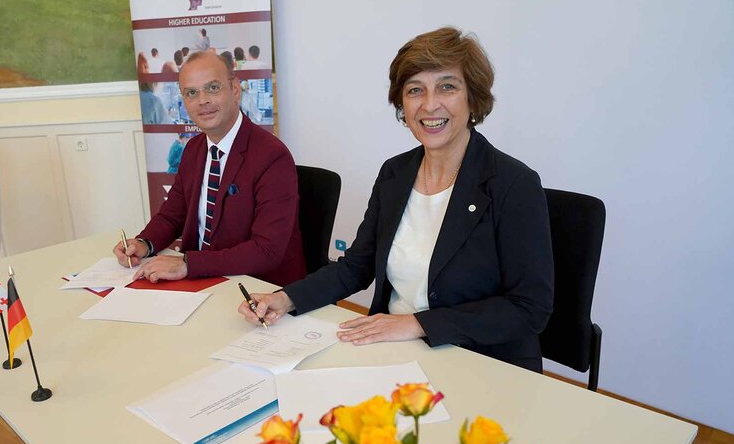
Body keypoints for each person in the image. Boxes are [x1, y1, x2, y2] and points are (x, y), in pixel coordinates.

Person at [238, 27, 553, 372]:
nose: (430, 104)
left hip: (479, 362)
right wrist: (285, 298)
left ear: (473, 98)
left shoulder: (513, 184)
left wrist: (418, 324)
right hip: (393, 352)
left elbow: (528, 307)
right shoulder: (395, 173)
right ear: (402, 103)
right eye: (415, 90)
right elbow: (356, 266)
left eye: (447, 86)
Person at [115, 52, 307, 286]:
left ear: (235, 89)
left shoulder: (271, 156)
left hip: (258, 289)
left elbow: (266, 250)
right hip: (203, 281)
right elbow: (172, 215)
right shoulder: (194, 149)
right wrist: (144, 243)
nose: (202, 100)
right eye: (191, 93)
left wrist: (189, 264)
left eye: (213, 88)